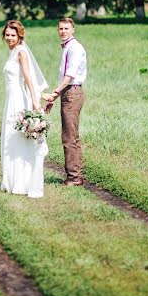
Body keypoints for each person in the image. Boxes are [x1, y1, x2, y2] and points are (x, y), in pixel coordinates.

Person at [1, 20, 49, 198]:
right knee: (10, 139)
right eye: (7, 35)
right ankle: (11, 180)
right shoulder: (12, 51)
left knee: (17, 138)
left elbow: (28, 77)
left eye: (13, 35)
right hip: (10, 99)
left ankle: (22, 181)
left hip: (18, 100)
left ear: (19, 35)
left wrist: (36, 101)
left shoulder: (21, 52)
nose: (10, 38)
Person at [46, 17, 87, 186]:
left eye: (66, 29)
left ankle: (74, 177)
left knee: (70, 136)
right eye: (60, 29)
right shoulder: (68, 47)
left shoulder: (74, 48)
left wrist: (54, 94)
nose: (63, 31)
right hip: (68, 92)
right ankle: (74, 174)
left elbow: (69, 76)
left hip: (72, 92)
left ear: (73, 30)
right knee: (69, 135)